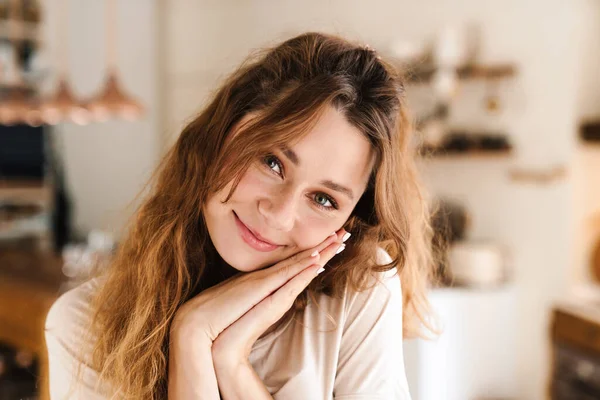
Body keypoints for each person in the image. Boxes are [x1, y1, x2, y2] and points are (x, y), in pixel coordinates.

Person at [45, 32, 438, 399]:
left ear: (349, 221)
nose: (280, 215)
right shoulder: (83, 327)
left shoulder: (358, 292)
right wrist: (192, 338)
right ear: (220, 135)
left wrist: (226, 360)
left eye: (323, 200)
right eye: (271, 162)